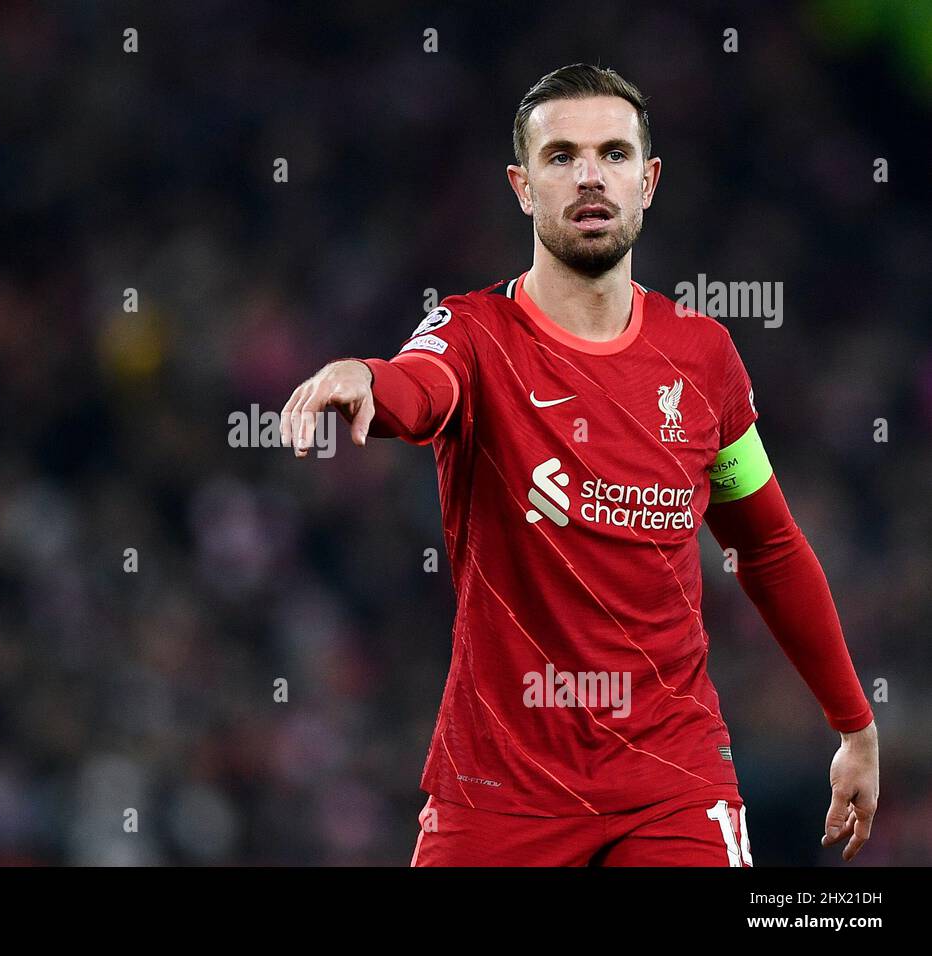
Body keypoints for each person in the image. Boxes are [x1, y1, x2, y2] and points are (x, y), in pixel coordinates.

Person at [279, 63, 878, 866]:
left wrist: (855, 725)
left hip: (673, 785)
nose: (590, 175)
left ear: (649, 180)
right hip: (499, 791)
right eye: (561, 156)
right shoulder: (472, 334)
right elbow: (419, 387)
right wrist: (367, 378)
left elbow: (766, 544)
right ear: (522, 186)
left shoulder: (703, 359)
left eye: (614, 153)